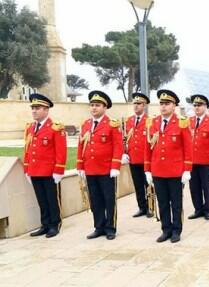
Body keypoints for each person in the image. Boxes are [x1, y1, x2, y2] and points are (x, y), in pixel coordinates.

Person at [144, 89, 193, 243]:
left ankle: (177, 230)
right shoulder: (153, 122)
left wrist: (187, 170)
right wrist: (147, 170)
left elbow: (188, 147)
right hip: (158, 170)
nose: (164, 107)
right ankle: (166, 229)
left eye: (167, 104)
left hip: (175, 171)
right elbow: (148, 147)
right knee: (162, 202)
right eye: (162, 104)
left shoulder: (182, 123)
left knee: (176, 203)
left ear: (174, 106)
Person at [77, 91, 123, 240]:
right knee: (95, 200)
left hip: (106, 170)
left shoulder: (112, 124)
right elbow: (81, 145)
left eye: (97, 105)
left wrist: (115, 166)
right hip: (90, 169)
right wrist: (80, 166)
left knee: (109, 200)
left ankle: (110, 228)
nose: (94, 108)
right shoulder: (86, 124)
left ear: (105, 107)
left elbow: (118, 146)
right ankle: (99, 227)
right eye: (92, 105)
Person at [23, 93, 67, 238]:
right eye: (33, 108)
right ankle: (45, 224)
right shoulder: (30, 127)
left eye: (37, 108)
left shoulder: (55, 127)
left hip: (49, 172)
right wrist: (27, 169)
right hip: (35, 171)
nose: (34, 111)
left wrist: (58, 170)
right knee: (41, 200)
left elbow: (61, 151)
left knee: (52, 199)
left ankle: (55, 224)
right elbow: (28, 150)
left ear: (46, 110)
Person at [188, 94, 209, 220]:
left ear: (205, 107)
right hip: (192, 160)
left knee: (206, 186)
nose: (197, 108)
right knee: (194, 187)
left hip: (206, 160)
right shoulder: (189, 121)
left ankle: (208, 209)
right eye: (195, 105)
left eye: (200, 105)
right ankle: (198, 209)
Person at [122, 93, 152, 218]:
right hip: (133, 158)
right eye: (134, 103)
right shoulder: (128, 121)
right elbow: (123, 139)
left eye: (139, 104)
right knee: (138, 184)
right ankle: (142, 207)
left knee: (148, 184)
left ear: (144, 105)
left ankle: (151, 207)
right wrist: (124, 153)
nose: (136, 106)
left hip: (146, 159)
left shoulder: (150, 121)